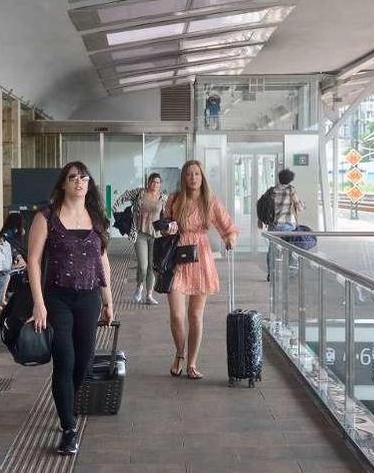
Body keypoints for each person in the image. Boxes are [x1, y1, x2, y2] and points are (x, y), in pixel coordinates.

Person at [27, 161, 114, 456]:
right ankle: (68, 427)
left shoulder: (96, 217)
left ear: (89, 184)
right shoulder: (47, 217)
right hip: (57, 298)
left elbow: (102, 261)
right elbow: (34, 262)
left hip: (89, 297)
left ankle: (67, 403)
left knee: (84, 362)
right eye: (73, 177)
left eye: (83, 177)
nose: (79, 181)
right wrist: (39, 303)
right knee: (64, 359)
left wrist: (108, 299)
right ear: (63, 184)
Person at [163, 160, 238, 380]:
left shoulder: (210, 201)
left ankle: (192, 363)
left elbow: (228, 227)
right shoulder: (174, 199)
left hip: (201, 259)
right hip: (177, 258)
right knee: (177, 315)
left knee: (195, 315)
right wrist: (168, 228)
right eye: (189, 174)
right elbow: (162, 227)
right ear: (184, 178)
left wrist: (230, 239)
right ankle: (179, 354)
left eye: (197, 174)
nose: (193, 178)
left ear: (202, 177)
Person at [113, 173, 167, 304]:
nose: (155, 185)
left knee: (152, 267)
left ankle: (149, 295)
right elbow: (124, 196)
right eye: (153, 182)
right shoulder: (139, 193)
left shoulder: (163, 198)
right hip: (140, 234)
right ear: (148, 182)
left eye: (158, 182)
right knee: (143, 266)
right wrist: (114, 209)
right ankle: (139, 286)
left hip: (156, 236)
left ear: (160, 185)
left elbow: (167, 214)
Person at [263, 168, 304, 281]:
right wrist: (302, 205)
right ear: (290, 180)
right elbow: (299, 207)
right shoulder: (291, 190)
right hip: (287, 226)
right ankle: (290, 272)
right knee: (290, 248)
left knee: (272, 249)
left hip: (274, 226)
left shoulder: (272, 190)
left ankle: (271, 273)